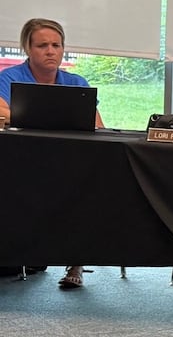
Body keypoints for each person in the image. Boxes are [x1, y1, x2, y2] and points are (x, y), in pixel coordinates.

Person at [0, 18, 104, 289]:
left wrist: (35, 118)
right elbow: (2, 112)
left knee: (91, 186)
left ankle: (76, 263)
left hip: (70, 162)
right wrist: (58, 120)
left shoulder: (76, 82)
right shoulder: (9, 78)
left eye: (56, 45)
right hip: (22, 163)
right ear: (27, 48)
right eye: (42, 45)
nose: (50, 51)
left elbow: (98, 126)